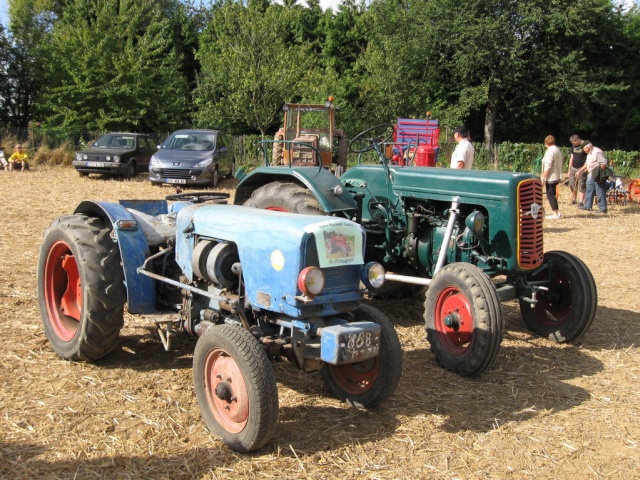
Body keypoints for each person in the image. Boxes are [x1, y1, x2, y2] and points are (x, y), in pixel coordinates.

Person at [577, 141, 608, 214]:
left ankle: (603, 209)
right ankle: (587, 206)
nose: (583, 150)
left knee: (599, 191)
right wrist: (579, 171)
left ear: (587, 147)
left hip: (596, 174)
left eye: (583, 148)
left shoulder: (597, 152)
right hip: (590, 174)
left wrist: (598, 173)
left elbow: (603, 163)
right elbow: (587, 164)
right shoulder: (589, 153)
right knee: (589, 190)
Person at [541, 135, 563, 219]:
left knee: (550, 194)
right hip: (556, 175)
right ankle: (556, 212)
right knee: (552, 194)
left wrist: (543, 177)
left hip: (551, 177)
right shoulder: (557, 150)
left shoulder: (550, 151)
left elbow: (548, 166)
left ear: (546, 142)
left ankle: (555, 213)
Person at [568, 134, 588, 207]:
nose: (573, 144)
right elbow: (571, 158)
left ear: (576, 140)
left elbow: (589, 158)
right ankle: (574, 199)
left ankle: (581, 201)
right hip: (573, 168)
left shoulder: (585, 145)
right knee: (572, 184)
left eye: (573, 142)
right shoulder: (573, 147)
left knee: (581, 184)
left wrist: (585, 168)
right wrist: (569, 169)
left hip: (581, 168)